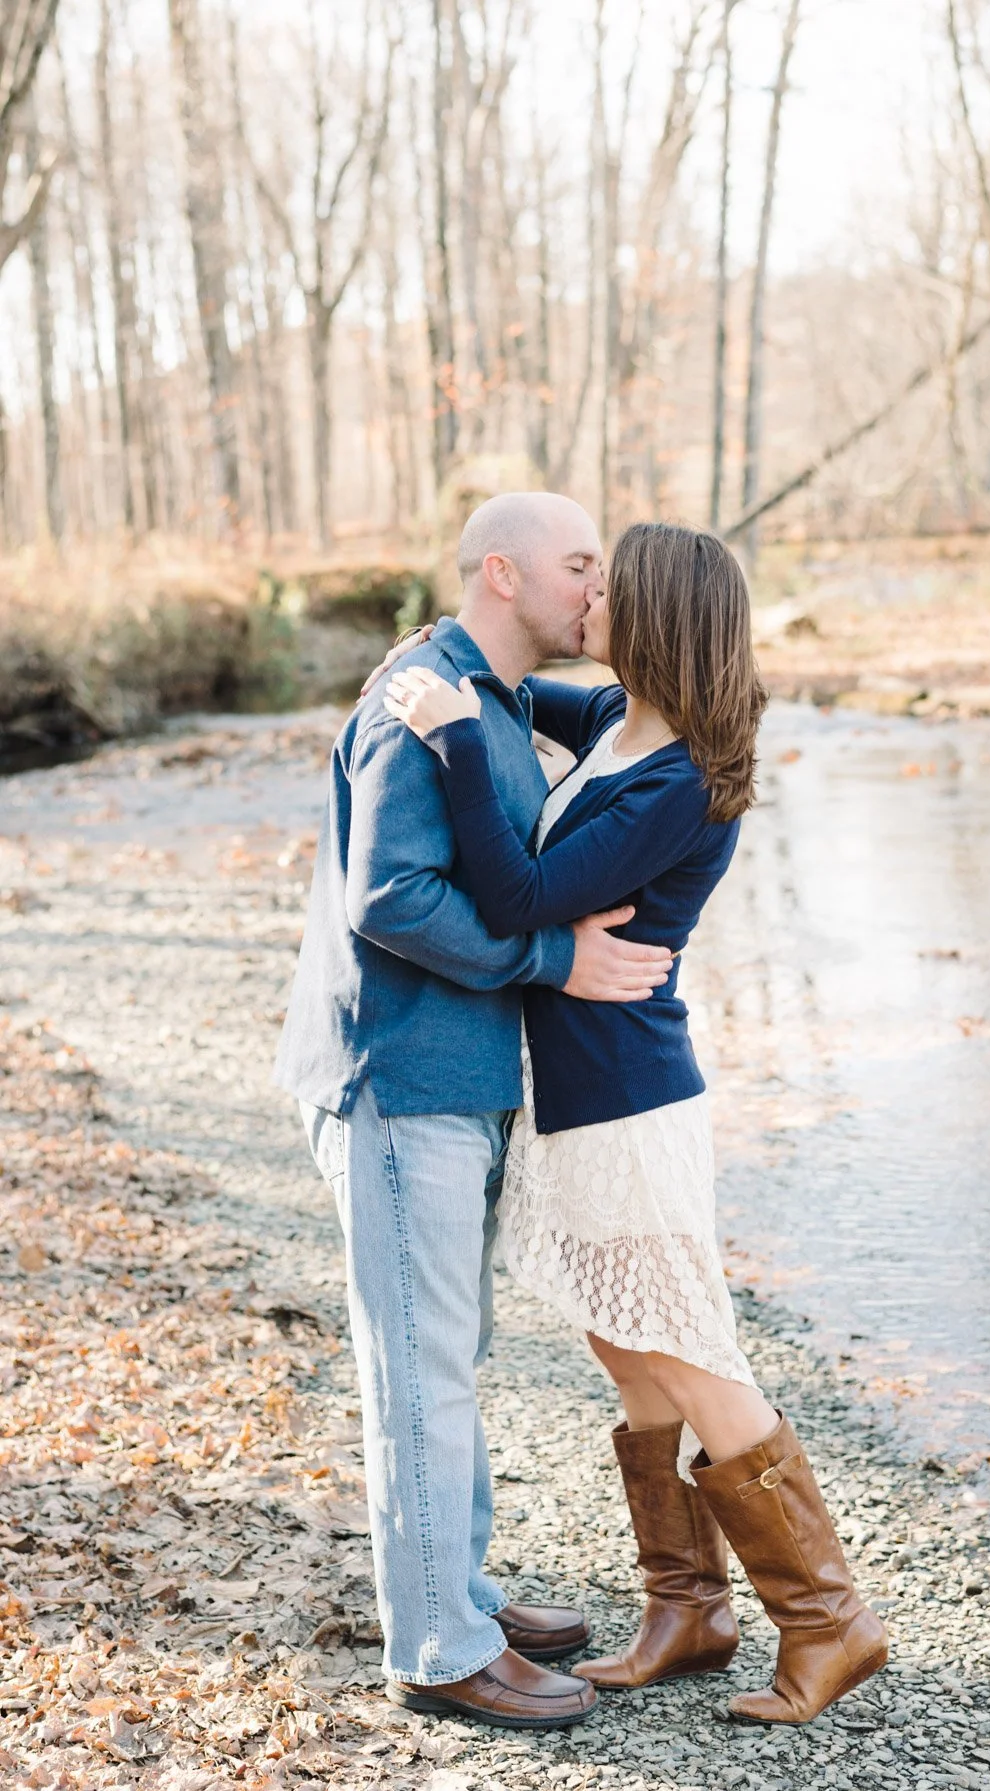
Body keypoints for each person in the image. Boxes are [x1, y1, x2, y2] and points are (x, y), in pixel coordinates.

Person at [384, 519, 888, 1726]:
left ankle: (829, 1622)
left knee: (690, 1354)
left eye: (612, 586)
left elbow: (519, 896)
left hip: (629, 1106)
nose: (592, 596)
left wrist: (453, 736)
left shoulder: (678, 780)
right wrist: (454, 666)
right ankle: (688, 1611)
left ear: (657, 618)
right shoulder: (621, 724)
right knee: (627, 1347)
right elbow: (539, 694)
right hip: (580, 1098)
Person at [273, 492, 679, 1731]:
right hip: (398, 1084)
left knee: (450, 1355)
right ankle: (440, 1648)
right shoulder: (418, 708)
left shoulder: (487, 697)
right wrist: (553, 960)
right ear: (501, 573)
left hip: (459, 1083)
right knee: (422, 1369)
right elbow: (389, 898)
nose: (594, 588)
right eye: (577, 566)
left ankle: (462, 1592)